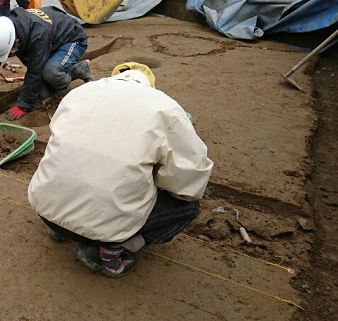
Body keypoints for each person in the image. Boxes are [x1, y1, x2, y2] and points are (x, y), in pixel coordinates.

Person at [28, 62, 214, 278]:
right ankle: (114, 249)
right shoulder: (166, 109)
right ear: (150, 86)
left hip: (46, 209)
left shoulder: (80, 93)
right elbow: (189, 181)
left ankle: (58, 227)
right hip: (105, 229)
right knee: (187, 208)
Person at [0, 6, 93, 121]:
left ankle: (73, 75)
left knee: (51, 72)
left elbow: (34, 72)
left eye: (9, 53)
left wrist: (24, 105)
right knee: (43, 93)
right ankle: (59, 76)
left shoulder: (38, 36)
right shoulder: (1, 30)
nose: (8, 57)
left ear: (17, 41)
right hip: (51, 40)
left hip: (72, 39)